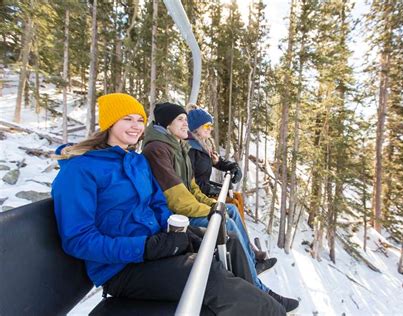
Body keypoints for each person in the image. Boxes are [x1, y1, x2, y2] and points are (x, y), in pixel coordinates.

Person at [51, 93, 287, 315]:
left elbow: (157, 205)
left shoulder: (136, 162)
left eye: (139, 120)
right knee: (207, 274)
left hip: (154, 251)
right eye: (127, 119)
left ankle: (260, 298)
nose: (135, 126)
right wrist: (147, 247)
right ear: (109, 123)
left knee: (224, 241)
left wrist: (181, 232)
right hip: (120, 268)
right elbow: (78, 240)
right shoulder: (80, 170)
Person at [142, 102, 299, 312]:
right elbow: (176, 197)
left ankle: (252, 264)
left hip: (185, 207)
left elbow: (192, 187)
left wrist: (213, 203)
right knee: (227, 225)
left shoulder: (178, 145)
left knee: (230, 210)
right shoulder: (159, 149)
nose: (185, 124)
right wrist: (210, 210)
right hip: (174, 216)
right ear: (166, 123)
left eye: (186, 120)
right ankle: (259, 290)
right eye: (180, 119)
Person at [187, 107, 276, 273]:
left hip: (205, 193)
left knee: (235, 203)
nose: (210, 129)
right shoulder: (191, 150)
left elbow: (216, 161)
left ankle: (251, 254)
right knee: (231, 208)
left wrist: (233, 167)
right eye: (207, 126)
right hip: (198, 199)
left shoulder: (202, 146)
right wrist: (218, 188)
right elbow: (193, 184)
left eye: (210, 126)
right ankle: (249, 259)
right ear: (196, 128)